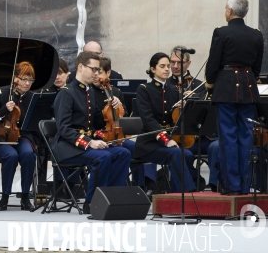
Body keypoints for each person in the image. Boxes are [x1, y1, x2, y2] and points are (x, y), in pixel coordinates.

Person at [52, 51, 131, 214]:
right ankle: (92, 202)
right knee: (103, 156)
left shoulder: (89, 92)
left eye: (97, 70)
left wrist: (113, 109)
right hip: (67, 147)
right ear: (80, 67)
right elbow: (64, 129)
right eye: (93, 69)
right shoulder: (66, 93)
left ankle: (111, 197)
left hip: (85, 144)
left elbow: (96, 124)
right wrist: (89, 142)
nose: (96, 73)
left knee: (123, 153)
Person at [205, 0, 264, 195]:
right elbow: (257, 67)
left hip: (226, 89)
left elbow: (213, 63)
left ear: (229, 11)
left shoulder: (221, 33)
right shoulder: (256, 34)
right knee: (246, 137)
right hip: (248, 89)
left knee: (228, 137)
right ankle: (245, 186)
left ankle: (232, 185)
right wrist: (248, 79)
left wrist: (211, 85)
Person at [133, 52, 197, 193]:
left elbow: (174, 119)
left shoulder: (174, 90)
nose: (167, 69)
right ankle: (187, 194)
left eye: (168, 66)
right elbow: (148, 119)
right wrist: (165, 139)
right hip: (149, 143)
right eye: (162, 66)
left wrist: (185, 107)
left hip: (170, 141)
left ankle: (175, 193)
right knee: (176, 154)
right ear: (153, 69)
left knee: (188, 154)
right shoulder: (144, 90)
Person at [0, 61, 37, 211]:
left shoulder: (32, 97)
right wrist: (2, 111)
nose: (27, 83)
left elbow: (35, 124)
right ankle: (4, 197)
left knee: (28, 154)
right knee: (11, 156)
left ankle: (25, 196)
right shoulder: (0, 93)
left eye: (30, 80)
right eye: (24, 79)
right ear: (15, 78)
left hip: (21, 137)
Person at [168, 45, 210, 190]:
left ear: (188, 64)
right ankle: (193, 184)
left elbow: (207, 114)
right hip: (175, 139)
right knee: (183, 154)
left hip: (198, 138)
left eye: (179, 63)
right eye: (171, 62)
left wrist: (195, 100)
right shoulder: (165, 86)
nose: (174, 66)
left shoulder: (199, 86)